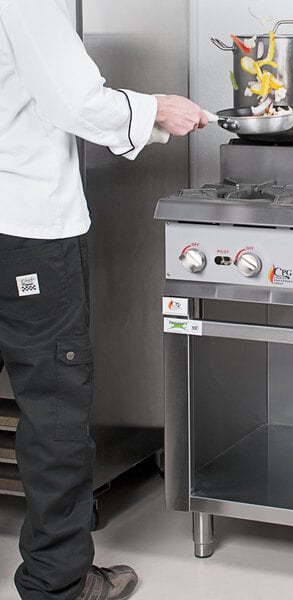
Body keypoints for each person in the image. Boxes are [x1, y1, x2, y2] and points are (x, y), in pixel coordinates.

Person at [0, 1, 209, 598]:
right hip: (28, 231)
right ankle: (59, 583)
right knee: (53, 407)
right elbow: (75, 100)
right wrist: (154, 110)